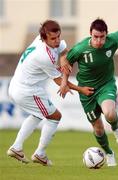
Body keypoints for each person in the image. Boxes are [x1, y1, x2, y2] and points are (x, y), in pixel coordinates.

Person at [7, 20, 94, 166]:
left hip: (17, 87)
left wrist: (63, 60)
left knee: (37, 115)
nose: (57, 41)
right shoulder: (43, 56)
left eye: (58, 36)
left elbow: (63, 50)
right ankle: (40, 153)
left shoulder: (43, 40)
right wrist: (81, 90)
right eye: (53, 39)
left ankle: (17, 147)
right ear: (44, 38)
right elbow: (59, 81)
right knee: (55, 116)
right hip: (26, 90)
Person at [59, 17, 118, 166]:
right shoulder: (80, 49)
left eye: (102, 37)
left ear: (106, 35)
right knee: (98, 129)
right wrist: (64, 82)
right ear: (90, 34)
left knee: (109, 112)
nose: (99, 41)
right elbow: (66, 62)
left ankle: (116, 130)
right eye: (95, 37)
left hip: (106, 85)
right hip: (86, 92)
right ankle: (109, 153)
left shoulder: (112, 41)